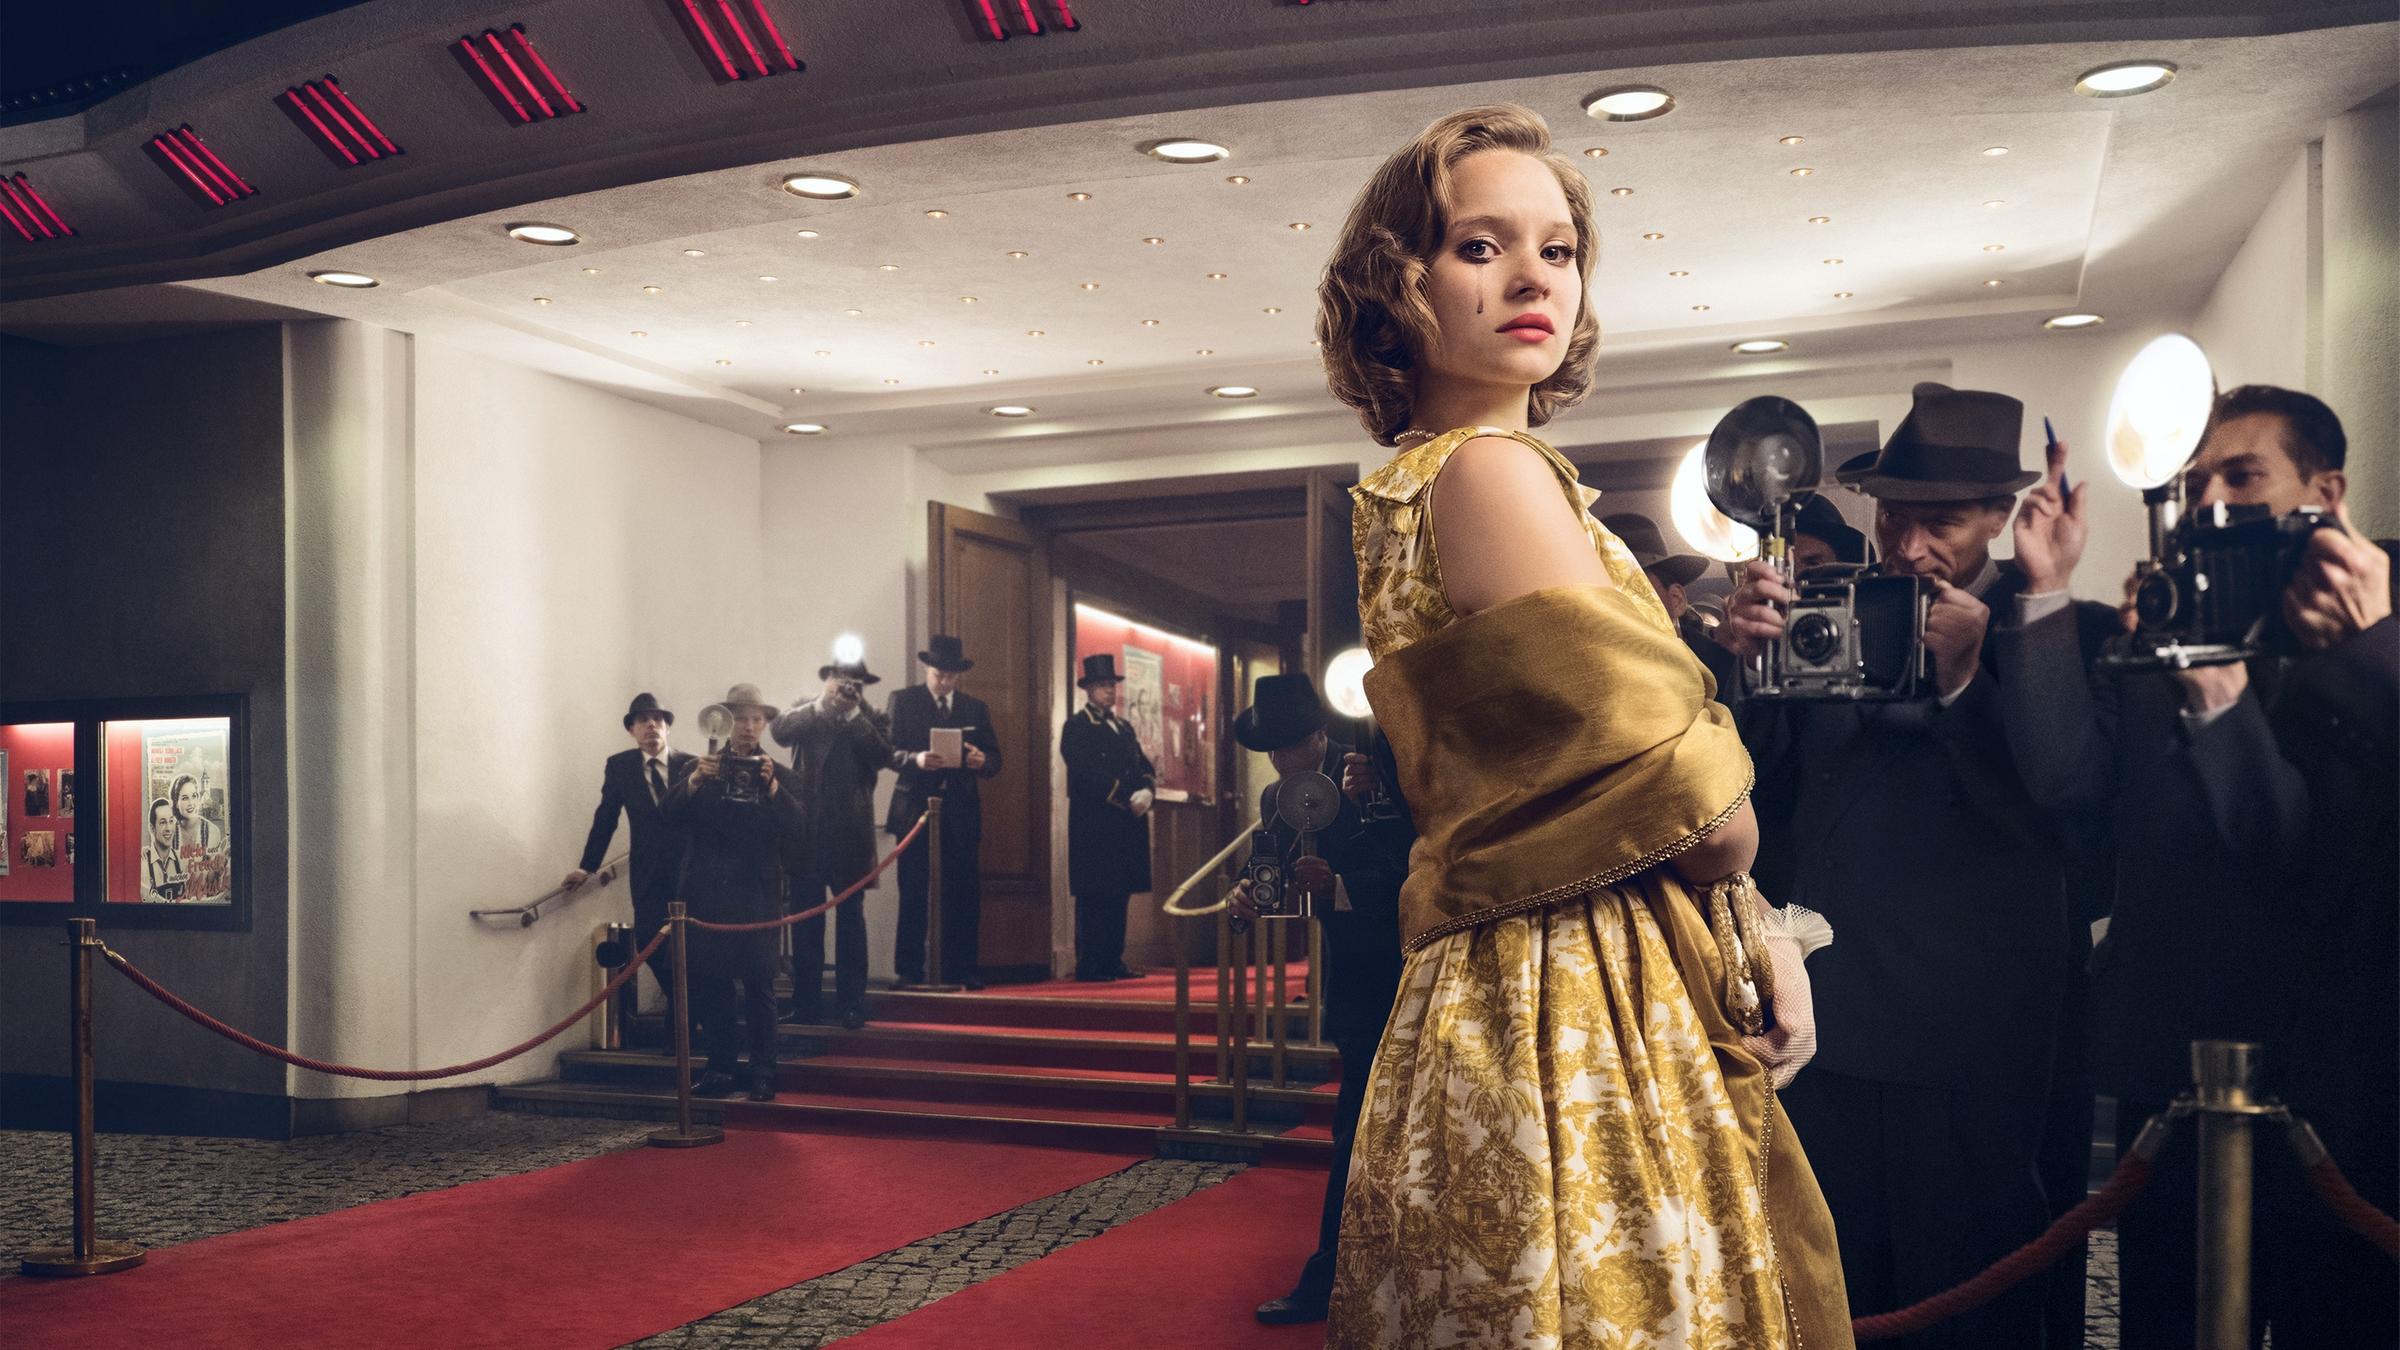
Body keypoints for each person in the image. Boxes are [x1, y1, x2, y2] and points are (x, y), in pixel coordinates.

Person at [1319, 104, 1848, 1347]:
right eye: (1478, 245)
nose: (1531, 279)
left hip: (1513, 973)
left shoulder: (1413, 483)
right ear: (1400, 283)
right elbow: (1710, 822)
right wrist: (1717, 754)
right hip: (1574, 988)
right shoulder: (1487, 472)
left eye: (1557, 250)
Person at [2000, 384, 2398, 1348]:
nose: (2211, 495)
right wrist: (2048, 589)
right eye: (2196, 478)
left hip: (2328, 1084)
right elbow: (2066, 781)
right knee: (2162, 1325)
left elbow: (2296, 852)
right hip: (2163, 1070)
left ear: (2325, 489)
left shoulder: (2370, 625)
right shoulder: (2165, 618)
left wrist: (2223, 702)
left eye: (2242, 473)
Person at [1720, 381, 2101, 1346]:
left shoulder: (2061, 631)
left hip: (1972, 1038)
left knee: (1975, 1295)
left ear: (2002, 518)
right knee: (1833, 1292)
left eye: (1943, 522)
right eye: (1895, 517)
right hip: (1829, 1022)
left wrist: (1976, 677)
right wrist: (1745, 667)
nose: (1912, 545)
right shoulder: (1836, 609)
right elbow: (1762, 803)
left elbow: (2069, 805)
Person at [1225, 675, 1412, 1329]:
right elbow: (1265, 865)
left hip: (1412, 973)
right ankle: (1332, 1277)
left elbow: (1418, 864)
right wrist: (1246, 897)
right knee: (1351, 1134)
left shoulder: (1371, 774)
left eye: (1289, 748)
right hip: (1356, 990)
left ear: (1317, 737)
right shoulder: (1281, 796)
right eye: (1271, 753)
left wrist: (1340, 886)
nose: (1279, 763)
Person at [662, 683, 806, 1101]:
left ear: (764, 725)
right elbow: (667, 815)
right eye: (741, 718)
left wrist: (774, 790)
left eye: (756, 719)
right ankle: (721, 1068)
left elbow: (799, 830)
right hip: (707, 895)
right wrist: (694, 781)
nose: (748, 727)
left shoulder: (783, 774)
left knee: (761, 986)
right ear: (725, 721)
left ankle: (763, 1072)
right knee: (712, 985)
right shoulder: (698, 767)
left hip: (757, 895)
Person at [771, 659, 894, 1030]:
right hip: (806, 832)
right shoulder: (805, 710)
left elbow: (884, 756)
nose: (846, 688)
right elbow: (779, 731)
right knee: (807, 923)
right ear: (826, 680)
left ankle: (851, 1004)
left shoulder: (872, 718)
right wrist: (820, 705)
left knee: (851, 922)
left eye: (854, 683)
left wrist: (854, 714)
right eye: (840, 681)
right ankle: (806, 1002)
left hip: (851, 835)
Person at [563, 693, 696, 1033]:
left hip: (690, 872)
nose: (652, 725)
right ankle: (686, 1011)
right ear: (632, 730)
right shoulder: (620, 766)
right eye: (643, 721)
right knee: (650, 943)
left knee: (689, 949)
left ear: (667, 728)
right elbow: (606, 816)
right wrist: (587, 866)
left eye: (658, 720)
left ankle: (679, 1027)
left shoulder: (691, 765)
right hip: (648, 872)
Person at [884, 635, 1003, 989]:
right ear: (927, 668)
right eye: (939, 674)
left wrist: (983, 761)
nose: (944, 681)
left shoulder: (974, 708)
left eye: (951, 675)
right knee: (913, 890)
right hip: (914, 810)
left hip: (961, 812)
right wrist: (915, 759)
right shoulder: (903, 701)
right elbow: (885, 752)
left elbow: (995, 759)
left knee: (963, 891)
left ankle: (962, 968)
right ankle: (908, 969)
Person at [1058, 653, 1154, 982]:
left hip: (1125, 824)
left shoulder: (1123, 727)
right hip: (1095, 823)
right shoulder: (1077, 726)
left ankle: (1113, 959)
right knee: (1094, 894)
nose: (1109, 692)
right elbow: (1085, 772)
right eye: (1102, 686)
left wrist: (1146, 790)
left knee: (1119, 893)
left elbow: (1143, 765)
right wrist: (1126, 797)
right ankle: (1091, 963)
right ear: (1088, 690)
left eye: (1111, 686)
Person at [1605, 510, 1740, 703]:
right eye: (1609, 594)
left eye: (1636, 588)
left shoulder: (1724, 669)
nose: (1621, 605)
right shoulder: (1603, 679)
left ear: (1676, 599)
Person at [142, 797, 186, 902]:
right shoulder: (143, 863)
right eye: (162, 822)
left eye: (171, 821)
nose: (168, 828)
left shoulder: (181, 860)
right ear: (152, 828)